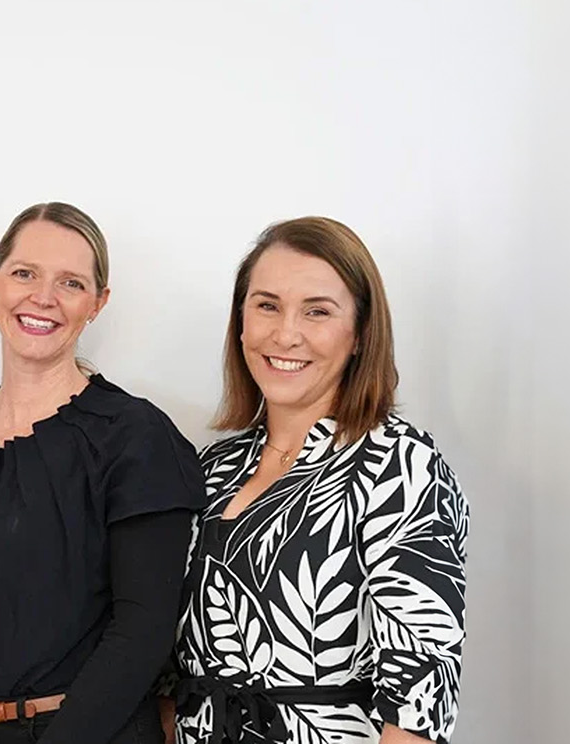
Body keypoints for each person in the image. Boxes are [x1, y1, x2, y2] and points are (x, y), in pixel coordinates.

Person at [0, 203, 208, 744]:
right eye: (25, 273)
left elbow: (141, 634)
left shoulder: (133, 437)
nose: (43, 297)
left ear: (97, 303)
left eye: (71, 283)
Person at [169, 217, 468, 744]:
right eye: (267, 305)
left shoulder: (397, 464)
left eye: (318, 311)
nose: (286, 334)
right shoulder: (211, 467)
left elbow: (420, 697)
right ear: (241, 322)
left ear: (360, 335)